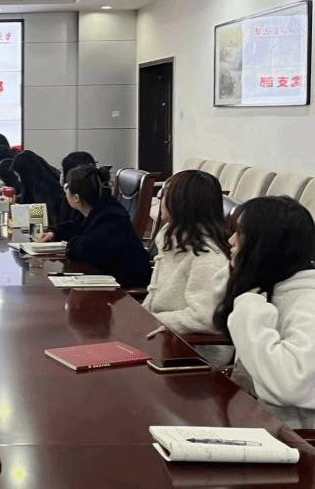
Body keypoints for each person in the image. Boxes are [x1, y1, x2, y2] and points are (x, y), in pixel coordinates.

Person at [213, 196, 315, 424]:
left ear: (263, 246)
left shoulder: (308, 302)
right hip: (251, 418)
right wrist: (239, 272)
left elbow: (290, 384)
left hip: (292, 438)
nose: (230, 240)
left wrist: (250, 312)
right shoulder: (271, 285)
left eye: (240, 234)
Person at [142, 171, 230, 333]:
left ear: (182, 204)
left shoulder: (207, 257)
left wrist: (152, 321)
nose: (160, 201)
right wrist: (140, 317)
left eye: (165, 196)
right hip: (160, 330)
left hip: (185, 343)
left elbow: (204, 318)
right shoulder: (171, 237)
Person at [61, 164, 151, 288]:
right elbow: (75, 228)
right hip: (106, 279)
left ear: (76, 197)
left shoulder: (111, 218)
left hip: (125, 287)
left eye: (66, 188)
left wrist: (71, 244)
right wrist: (54, 233)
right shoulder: (97, 208)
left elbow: (85, 249)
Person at [10, 150, 64, 225]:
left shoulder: (43, 193)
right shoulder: (48, 178)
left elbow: (38, 220)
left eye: (20, 176)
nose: (19, 180)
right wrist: (18, 198)